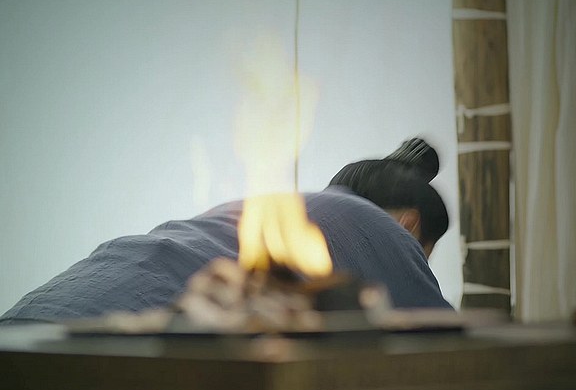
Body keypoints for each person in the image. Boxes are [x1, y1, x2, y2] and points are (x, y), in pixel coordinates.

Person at [0, 139, 453, 325]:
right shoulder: (383, 230)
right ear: (410, 224)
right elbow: (447, 351)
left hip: (48, 313)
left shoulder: (277, 209)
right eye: (424, 255)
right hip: (123, 344)